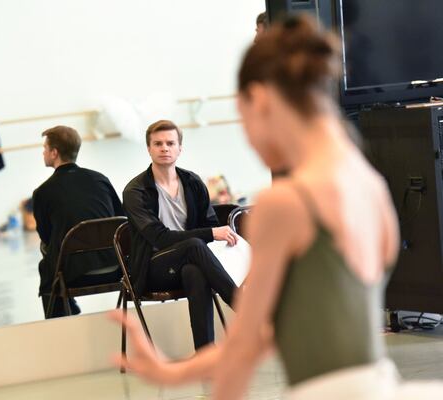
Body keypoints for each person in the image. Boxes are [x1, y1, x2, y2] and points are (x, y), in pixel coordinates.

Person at [110, 16, 443, 399]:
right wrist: (180, 372)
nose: (250, 138)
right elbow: (282, 333)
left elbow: (248, 344)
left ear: (261, 101)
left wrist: (174, 375)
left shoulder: (284, 202)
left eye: (244, 119)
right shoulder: (372, 187)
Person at [122, 120, 239, 350]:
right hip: (152, 268)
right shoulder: (135, 191)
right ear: (149, 149)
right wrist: (210, 234)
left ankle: (206, 354)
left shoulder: (193, 182)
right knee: (194, 245)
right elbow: (159, 238)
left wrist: (209, 233)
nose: (164, 148)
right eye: (158, 144)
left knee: (195, 271)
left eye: (170, 143)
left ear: (179, 148)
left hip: (189, 261)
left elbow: (208, 223)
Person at [33, 125, 124, 319]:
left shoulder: (43, 193)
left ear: (54, 152)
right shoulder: (100, 180)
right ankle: (68, 307)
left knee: (46, 261)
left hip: (75, 275)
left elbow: (47, 239)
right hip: (117, 268)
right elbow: (121, 221)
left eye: (45, 148)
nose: (43, 152)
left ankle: (61, 323)